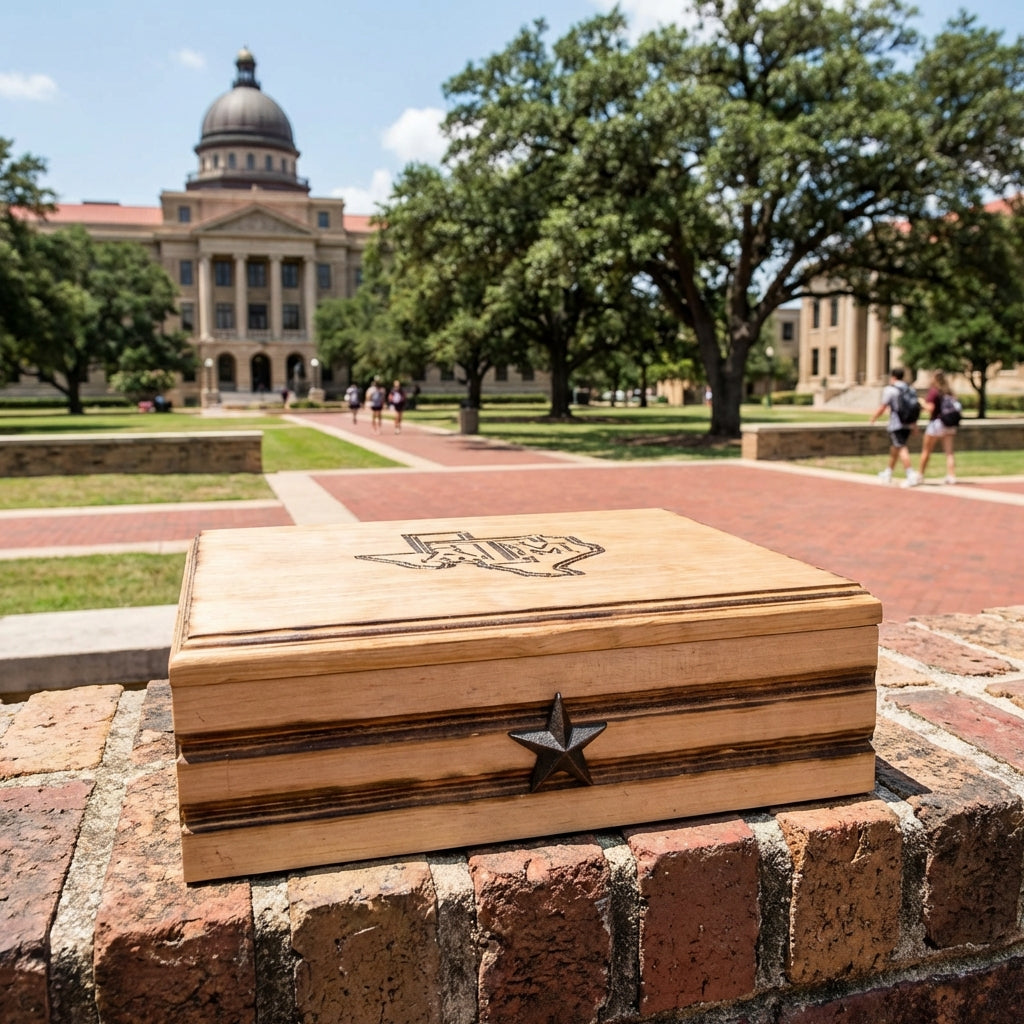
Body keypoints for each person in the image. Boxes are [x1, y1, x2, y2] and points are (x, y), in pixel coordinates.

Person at [870, 367, 922, 487]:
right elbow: (914, 408)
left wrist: (874, 418)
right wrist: (914, 425)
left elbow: (883, 406)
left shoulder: (890, 390)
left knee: (901, 448)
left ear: (892, 377)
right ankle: (888, 472)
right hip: (908, 423)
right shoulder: (910, 389)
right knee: (895, 448)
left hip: (897, 424)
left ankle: (910, 475)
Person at [918, 369, 958, 485]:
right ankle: (951, 476)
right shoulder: (949, 392)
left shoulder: (934, 391)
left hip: (936, 424)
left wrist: (921, 403)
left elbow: (930, 408)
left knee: (926, 450)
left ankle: (920, 474)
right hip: (949, 424)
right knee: (949, 452)